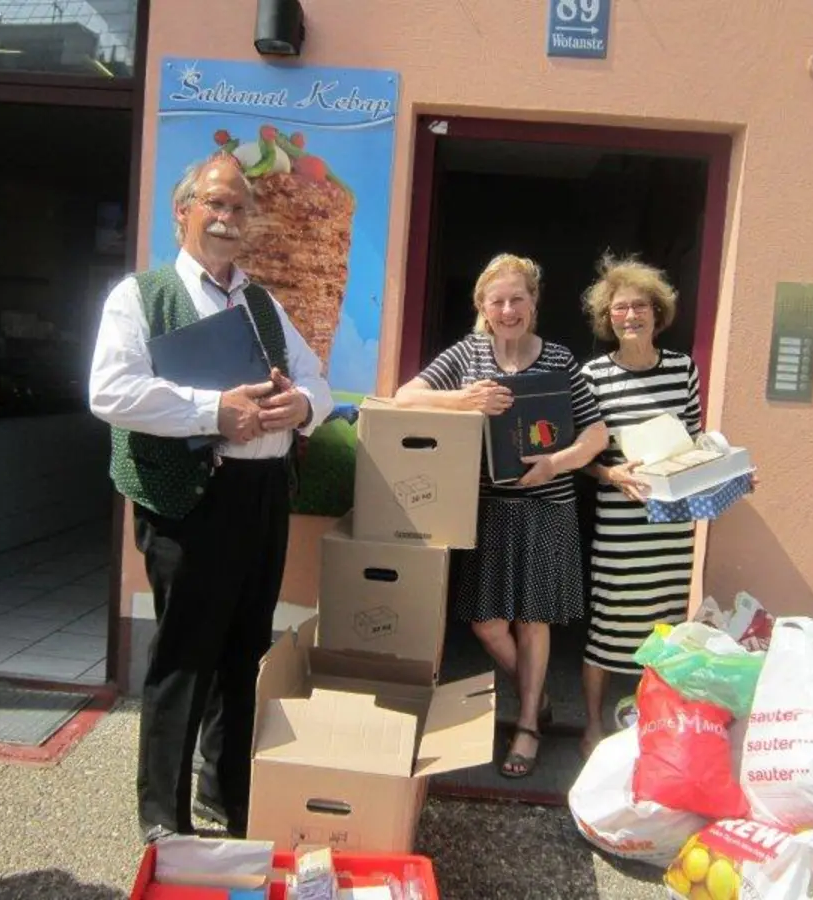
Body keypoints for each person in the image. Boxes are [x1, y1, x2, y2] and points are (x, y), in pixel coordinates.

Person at [88, 153, 333, 843]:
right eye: (215, 205)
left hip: (262, 496)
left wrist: (300, 408)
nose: (227, 219)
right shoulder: (142, 295)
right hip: (192, 500)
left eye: (238, 208)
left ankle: (229, 795)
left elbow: (319, 382)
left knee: (244, 651)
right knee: (185, 657)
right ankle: (164, 818)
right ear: (184, 211)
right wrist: (213, 412)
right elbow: (109, 392)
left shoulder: (261, 300)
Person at [394, 253, 607, 779]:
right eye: (498, 301)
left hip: (546, 507)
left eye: (518, 299)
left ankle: (528, 725)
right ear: (482, 307)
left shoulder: (558, 359)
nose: (508, 309)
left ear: (533, 303)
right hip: (485, 508)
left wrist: (556, 462)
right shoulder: (468, 355)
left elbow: (596, 432)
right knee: (487, 623)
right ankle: (534, 697)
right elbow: (405, 398)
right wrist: (462, 400)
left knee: (533, 621)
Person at [576, 253, 707, 758]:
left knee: (665, 633)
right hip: (619, 526)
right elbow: (580, 456)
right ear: (607, 319)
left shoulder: (682, 370)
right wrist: (608, 472)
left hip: (671, 530)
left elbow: (694, 447)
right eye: (618, 309)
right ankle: (591, 726)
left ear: (657, 312)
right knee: (605, 629)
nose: (629, 316)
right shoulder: (593, 377)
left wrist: (729, 473)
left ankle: (654, 727)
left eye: (639, 307)